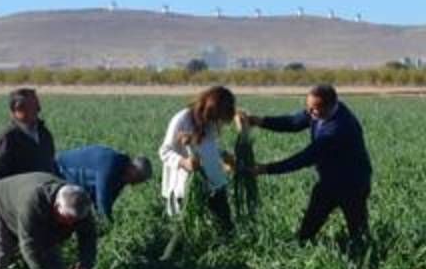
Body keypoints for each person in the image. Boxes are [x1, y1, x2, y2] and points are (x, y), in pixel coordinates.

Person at [243, 84, 373, 242]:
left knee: (359, 233)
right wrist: (259, 121)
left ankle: (365, 258)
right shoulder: (319, 113)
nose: (310, 113)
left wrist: (265, 169)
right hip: (329, 181)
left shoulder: (337, 129)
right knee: (307, 230)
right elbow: (293, 122)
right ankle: (304, 240)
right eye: (308, 107)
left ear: (331, 105)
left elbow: (304, 158)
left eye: (315, 109)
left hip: (353, 184)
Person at [158, 85, 237, 229]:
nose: (218, 122)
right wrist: (184, 162)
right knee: (185, 229)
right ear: (211, 109)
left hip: (215, 183)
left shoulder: (210, 121)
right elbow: (165, 151)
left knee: (226, 227)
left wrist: (223, 155)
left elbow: (208, 147)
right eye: (218, 117)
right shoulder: (182, 119)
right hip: (187, 186)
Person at [0, 87, 57, 189]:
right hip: (19, 197)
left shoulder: (44, 133)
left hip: (44, 193)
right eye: (33, 106)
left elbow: (52, 165)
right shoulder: (7, 138)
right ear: (18, 110)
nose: (38, 109)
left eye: (37, 105)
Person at [55, 145, 152, 220]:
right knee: (66, 207)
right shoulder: (110, 163)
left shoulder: (123, 175)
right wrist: (108, 223)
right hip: (61, 170)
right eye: (139, 179)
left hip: (79, 182)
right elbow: (102, 198)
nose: (135, 184)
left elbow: (109, 200)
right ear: (133, 169)